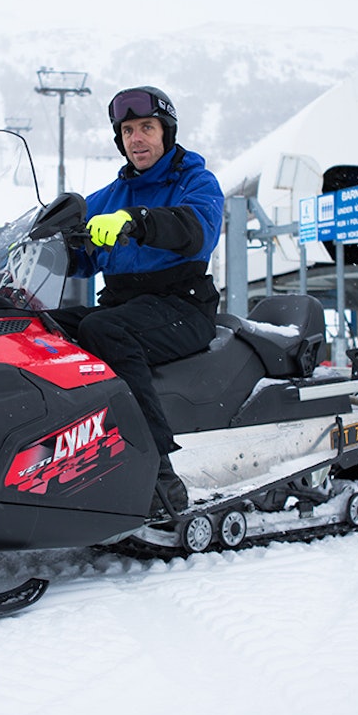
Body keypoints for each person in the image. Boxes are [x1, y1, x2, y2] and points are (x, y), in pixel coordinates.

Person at [49, 86, 224, 516]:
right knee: (42, 328)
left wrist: (138, 222)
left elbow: (196, 228)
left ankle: (156, 472)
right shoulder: (108, 198)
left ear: (166, 132)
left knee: (102, 327)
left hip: (182, 306)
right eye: (127, 130)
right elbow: (75, 254)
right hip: (124, 306)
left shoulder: (195, 182)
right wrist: (17, 242)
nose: (136, 139)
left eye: (146, 127)